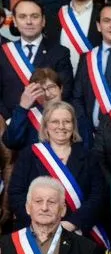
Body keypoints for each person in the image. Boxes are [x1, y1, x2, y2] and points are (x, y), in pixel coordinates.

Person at [7, 99, 103, 233]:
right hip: (34, 231)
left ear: (73, 125)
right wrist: (40, 223)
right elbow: (16, 194)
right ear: (46, 126)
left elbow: (97, 196)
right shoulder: (29, 155)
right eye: (55, 122)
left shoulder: (89, 157)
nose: (61, 126)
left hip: (77, 231)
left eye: (67, 121)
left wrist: (72, 223)